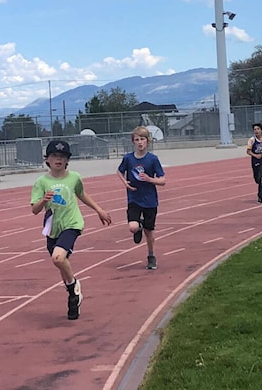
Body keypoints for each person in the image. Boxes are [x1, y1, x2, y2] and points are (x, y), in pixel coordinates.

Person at [31, 140, 112, 320]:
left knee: (58, 257)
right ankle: (73, 293)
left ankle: (74, 285)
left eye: (62, 157)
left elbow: (81, 194)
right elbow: (34, 210)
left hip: (72, 224)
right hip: (53, 228)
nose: (58, 160)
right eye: (54, 156)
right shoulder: (41, 182)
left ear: (67, 160)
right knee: (60, 262)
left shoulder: (74, 177)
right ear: (47, 159)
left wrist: (99, 210)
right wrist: (44, 200)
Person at [117, 126, 166, 270]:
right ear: (133, 142)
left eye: (142, 139)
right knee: (132, 227)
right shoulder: (128, 158)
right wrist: (124, 182)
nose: (140, 142)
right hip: (134, 199)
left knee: (149, 231)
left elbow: (163, 180)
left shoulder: (152, 159)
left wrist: (150, 179)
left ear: (147, 141)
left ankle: (151, 256)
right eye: (137, 140)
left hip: (150, 200)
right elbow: (119, 171)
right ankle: (138, 227)